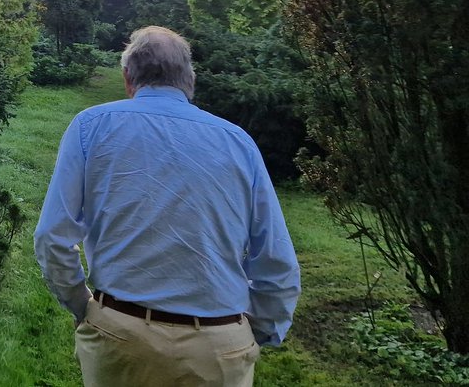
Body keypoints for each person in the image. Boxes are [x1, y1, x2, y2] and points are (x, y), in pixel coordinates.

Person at [34, 26, 300, 387]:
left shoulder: (91, 127)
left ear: (127, 78)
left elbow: (52, 236)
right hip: (220, 346)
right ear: (190, 80)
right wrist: (260, 330)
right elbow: (277, 261)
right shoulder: (239, 142)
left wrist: (82, 305)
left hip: (121, 335)